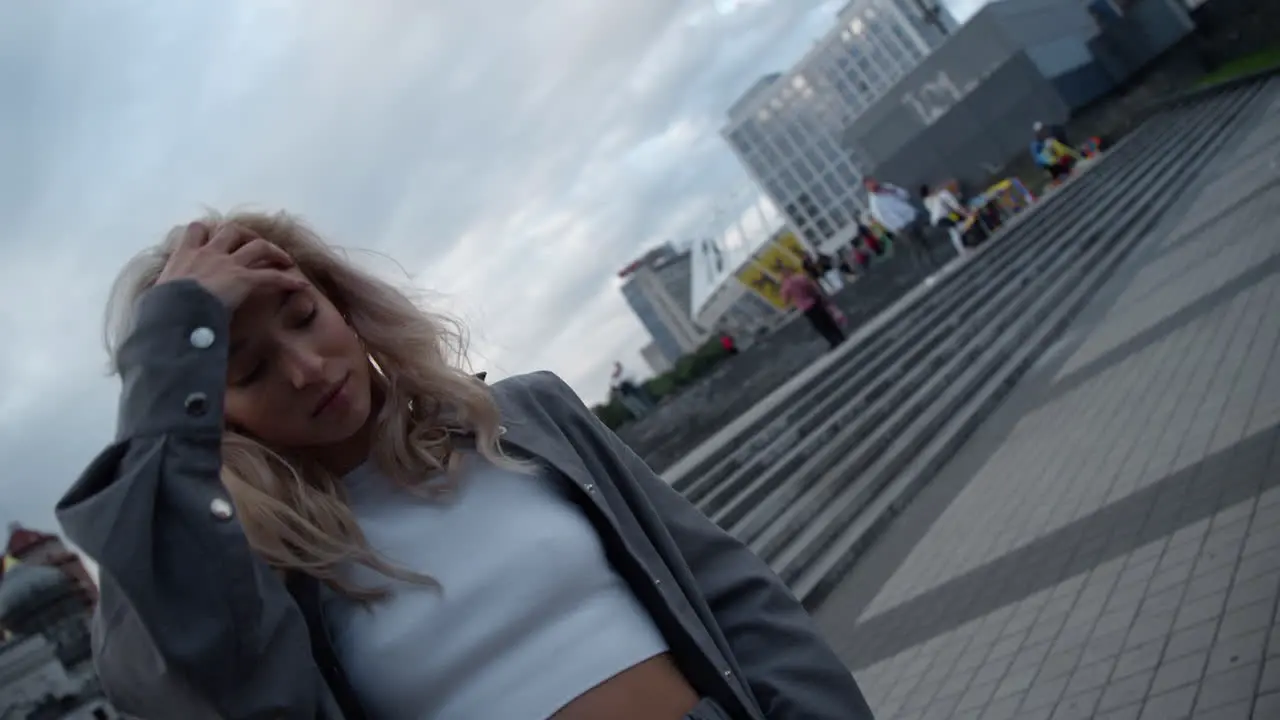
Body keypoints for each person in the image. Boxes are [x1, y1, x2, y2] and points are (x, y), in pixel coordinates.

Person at [55, 211, 873, 720]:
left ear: (345, 302)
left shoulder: (526, 418)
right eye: (248, 371)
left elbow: (734, 596)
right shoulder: (258, 585)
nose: (306, 369)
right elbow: (157, 678)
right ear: (212, 415)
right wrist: (168, 356)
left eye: (306, 317)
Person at [864, 177, 938, 270]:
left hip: (910, 215)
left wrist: (893, 191)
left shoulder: (886, 187)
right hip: (902, 226)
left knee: (923, 240)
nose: (873, 183)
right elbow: (883, 218)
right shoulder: (874, 202)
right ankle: (922, 267)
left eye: (873, 181)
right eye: (870, 183)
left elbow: (904, 195)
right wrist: (898, 227)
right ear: (867, 187)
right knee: (915, 246)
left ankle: (932, 260)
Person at [779, 266, 845, 349]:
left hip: (806, 308)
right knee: (827, 319)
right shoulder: (801, 277)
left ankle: (833, 340)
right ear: (790, 271)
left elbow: (785, 300)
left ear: (782, 275)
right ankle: (841, 336)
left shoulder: (786, 285)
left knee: (819, 325)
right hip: (815, 301)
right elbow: (812, 287)